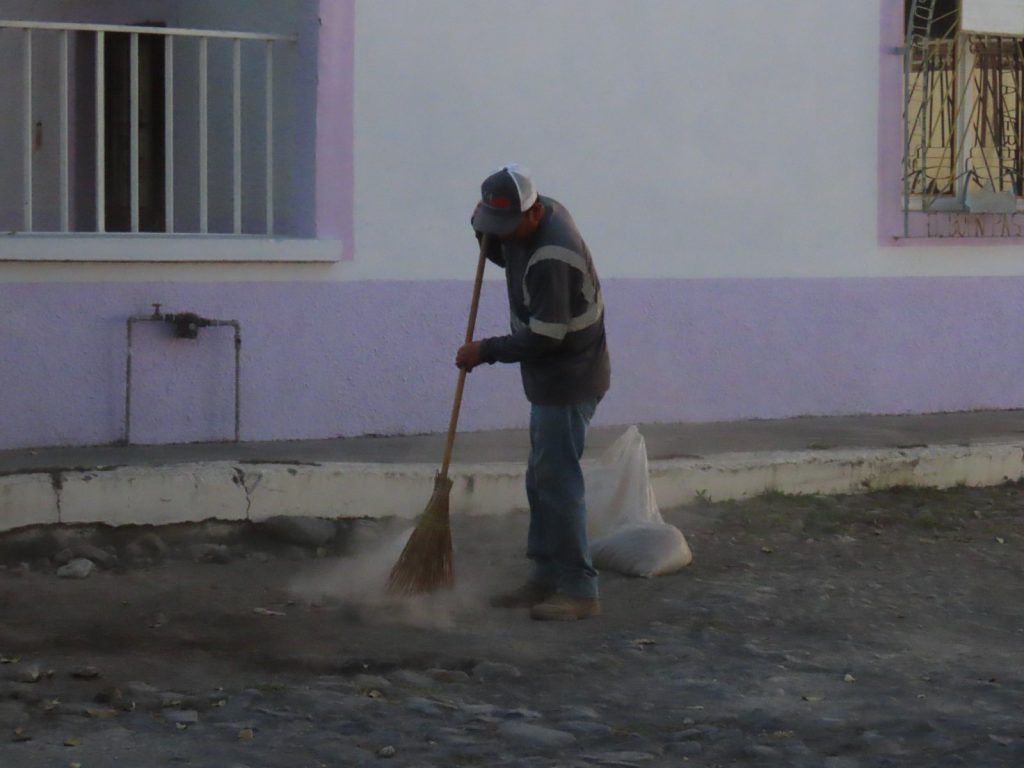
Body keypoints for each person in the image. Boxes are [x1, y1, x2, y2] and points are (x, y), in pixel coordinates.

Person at [456, 165, 611, 621]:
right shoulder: (526, 217)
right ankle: (544, 576)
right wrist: (484, 232)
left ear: (535, 212)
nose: (500, 238)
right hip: (549, 376)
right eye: (493, 227)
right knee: (540, 476)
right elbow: (492, 233)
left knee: (558, 481)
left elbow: (546, 337)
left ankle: (580, 590)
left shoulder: (553, 257)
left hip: (570, 375)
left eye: (507, 229)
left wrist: (485, 350)